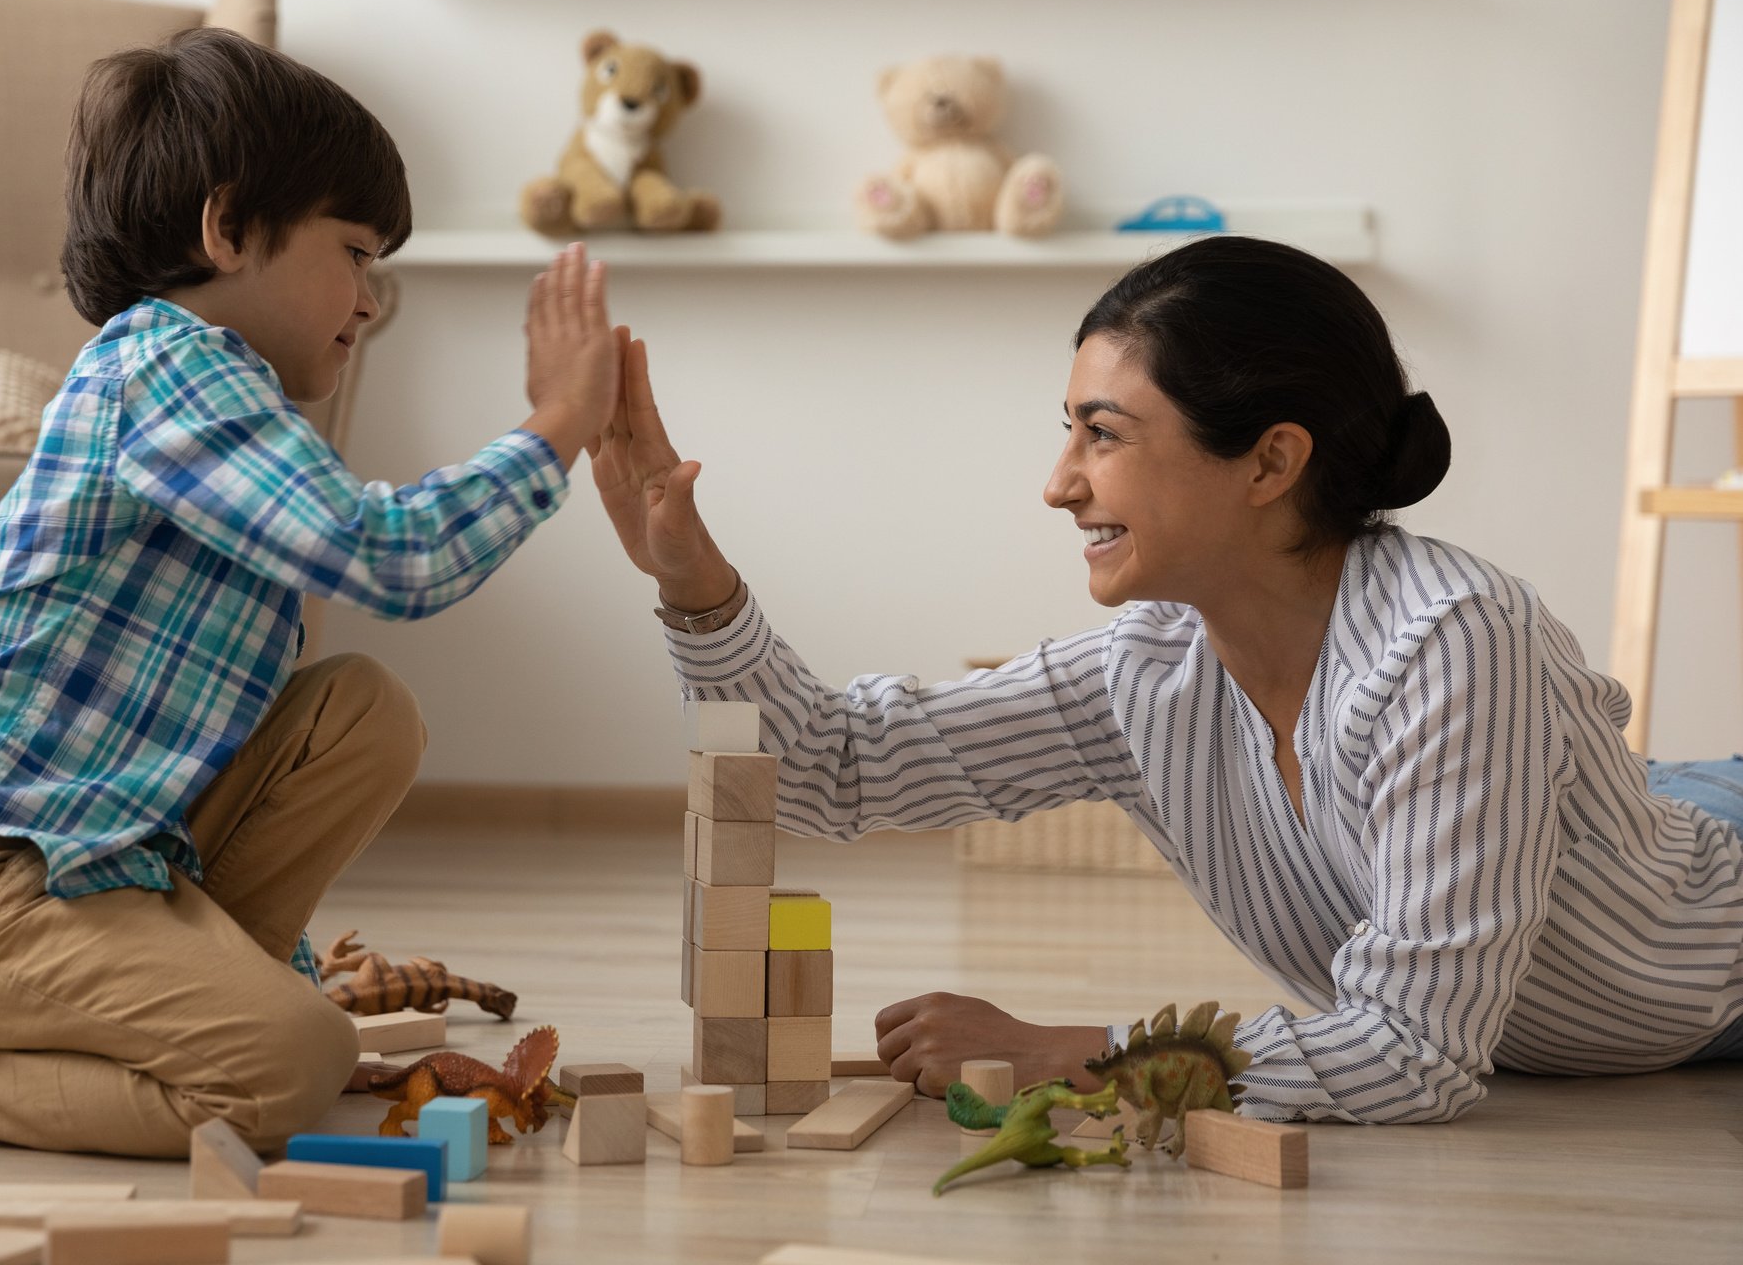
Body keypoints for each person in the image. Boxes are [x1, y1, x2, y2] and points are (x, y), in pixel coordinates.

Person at [595, 235, 1743, 1123]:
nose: (1058, 483)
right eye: (1069, 431)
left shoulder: (1453, 640)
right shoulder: (1149, 668)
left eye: (1103, 434)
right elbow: (827, 775)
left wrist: (1084, 1053)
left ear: (1271, 460)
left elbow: (1414, 1057)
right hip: (1628, 820)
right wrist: (690, 578)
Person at [0, 27, 623, 1156]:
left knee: (360, 711)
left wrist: (272, 986)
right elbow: (393, 558)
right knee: (288, 1071)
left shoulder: (224, 407)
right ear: (228, 229)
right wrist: (558, 427)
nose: (370, 298)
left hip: (93, 864)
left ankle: (224, 1013)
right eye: (353, 250)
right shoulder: (168, 364)